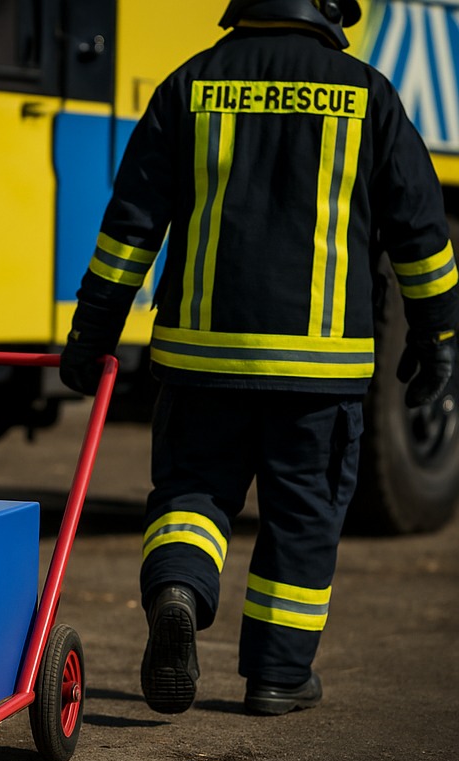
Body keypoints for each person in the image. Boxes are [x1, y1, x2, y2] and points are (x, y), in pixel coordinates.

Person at [61, 0, 458, 716]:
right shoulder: (367, 94)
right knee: (303, 517)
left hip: (200, 360)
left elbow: (130, 230)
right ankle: (278, 675)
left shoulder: (191, 83)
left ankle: (179, 589)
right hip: (319, 371)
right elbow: (421, 234)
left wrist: (92, 335)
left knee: (192, 494)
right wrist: (439, 337)